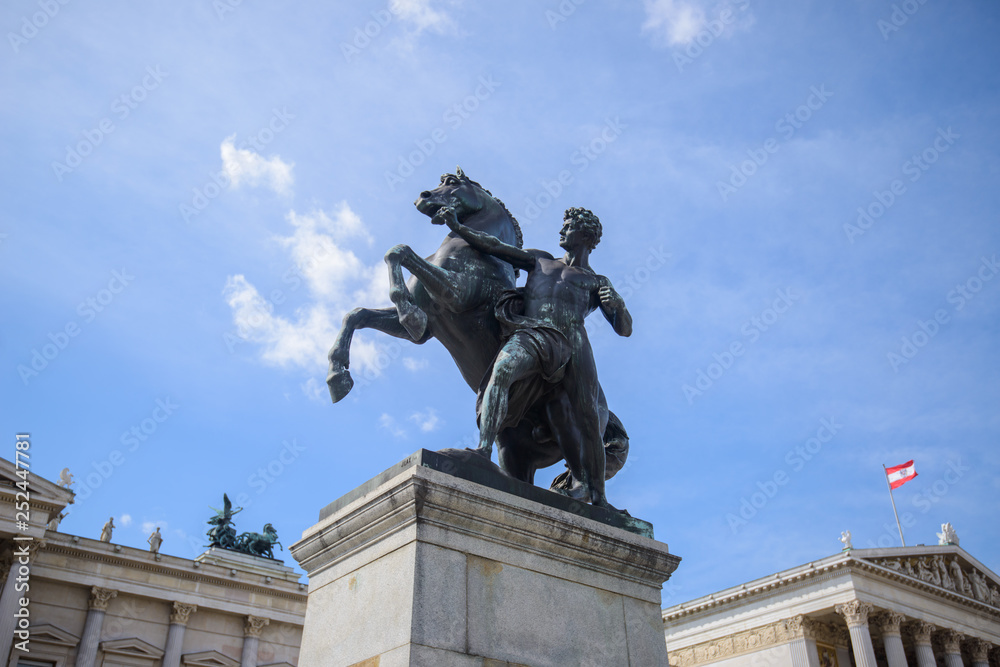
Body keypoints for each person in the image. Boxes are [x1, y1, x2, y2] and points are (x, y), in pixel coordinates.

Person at [438, 205, 631, 509]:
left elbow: (624, 329)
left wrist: (618, 306)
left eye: (567, 226)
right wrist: (458, 227)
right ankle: (482, 450)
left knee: (588, 418)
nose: (561, 230)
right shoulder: (540, 259)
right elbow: (493, 246)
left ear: (585, 235)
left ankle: (597, 496)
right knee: (502, 371)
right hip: (535, 332)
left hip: (574, 345)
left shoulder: (597, 282)